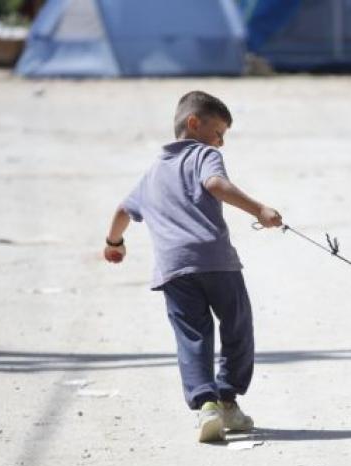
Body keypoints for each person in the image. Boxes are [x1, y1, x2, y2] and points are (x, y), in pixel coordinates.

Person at [103, 90, 282, 443]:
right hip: (215, 261)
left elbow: (123, 211)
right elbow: (216, 185)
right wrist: (259, 209)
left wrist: (114, 243)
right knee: (237, 328)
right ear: (194, 123)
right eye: (219, 133)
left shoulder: (151, 173)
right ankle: (227, 399)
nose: (221, 143)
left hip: (174, 269)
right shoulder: (203, 155)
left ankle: (207, 408)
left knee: (193, 337)